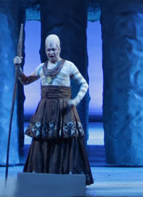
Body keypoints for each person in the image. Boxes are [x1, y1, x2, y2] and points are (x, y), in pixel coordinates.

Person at [14, 34, 93, 185]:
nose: (51, 53)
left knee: (66, 141)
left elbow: (84, 84)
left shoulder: (68, 66)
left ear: (59, 49)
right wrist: (18, 68)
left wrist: (76, 100)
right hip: (46, 110)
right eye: (48, 50)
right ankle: (43, 176)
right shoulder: (41, 68)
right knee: (43, 141)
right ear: (45, 50)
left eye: (54, 49)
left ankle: (66, 177)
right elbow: (25, 80)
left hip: (64, 109)